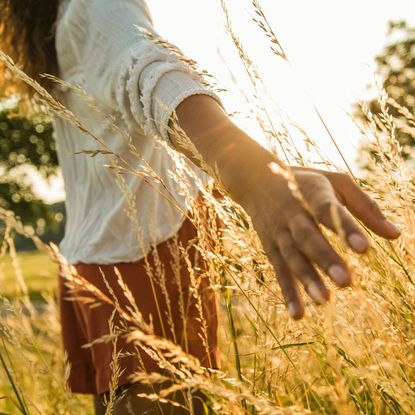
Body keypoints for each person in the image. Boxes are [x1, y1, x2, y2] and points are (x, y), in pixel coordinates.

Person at [0, 0, 401, 413]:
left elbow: (139, 150)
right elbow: (150, 74)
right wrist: (252, 176)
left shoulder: (62, 21)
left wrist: (262, 173)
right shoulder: (98, 5)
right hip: (144, 261)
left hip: (94, 262)